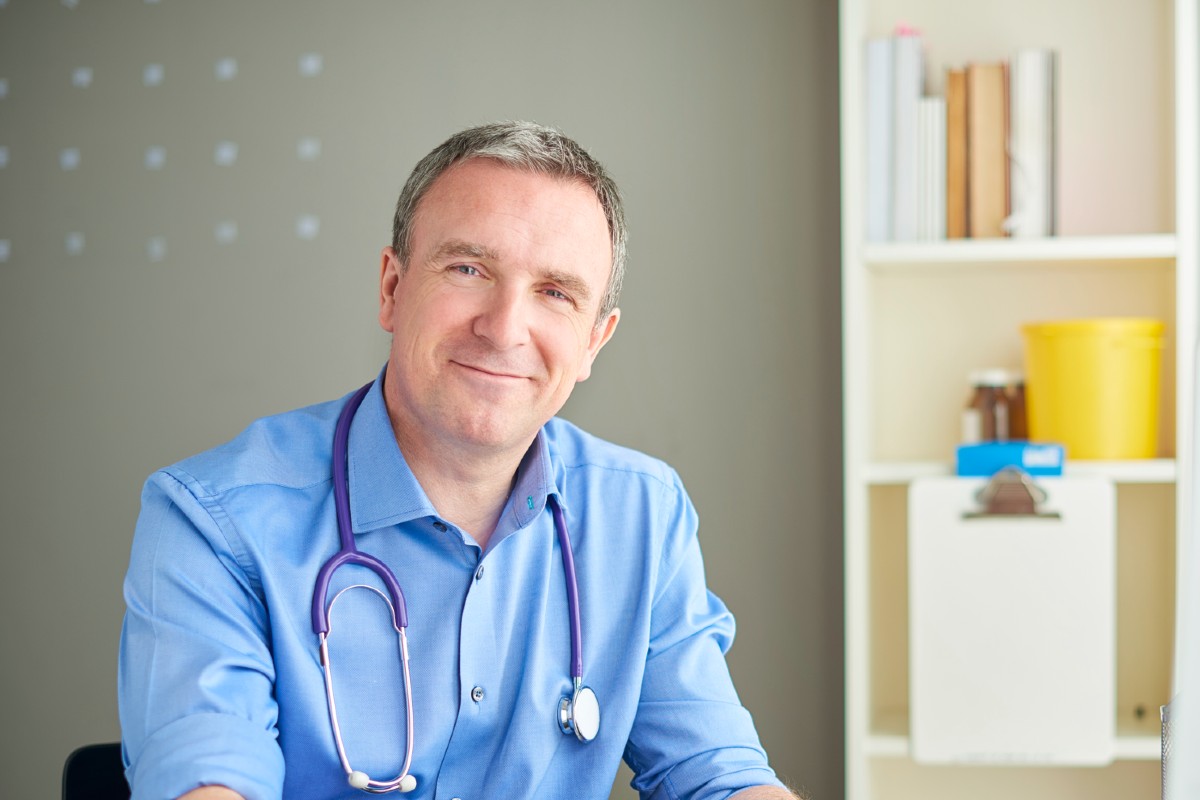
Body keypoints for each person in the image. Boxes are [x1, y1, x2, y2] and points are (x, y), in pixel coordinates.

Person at [118, 121, 800, 800]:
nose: (504, 328)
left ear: (595, 340)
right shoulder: (213, 520)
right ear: (392, 287)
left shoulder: (641, 517)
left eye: (556, 292)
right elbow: (208, 782)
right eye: (468, 269)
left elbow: (722, 776)